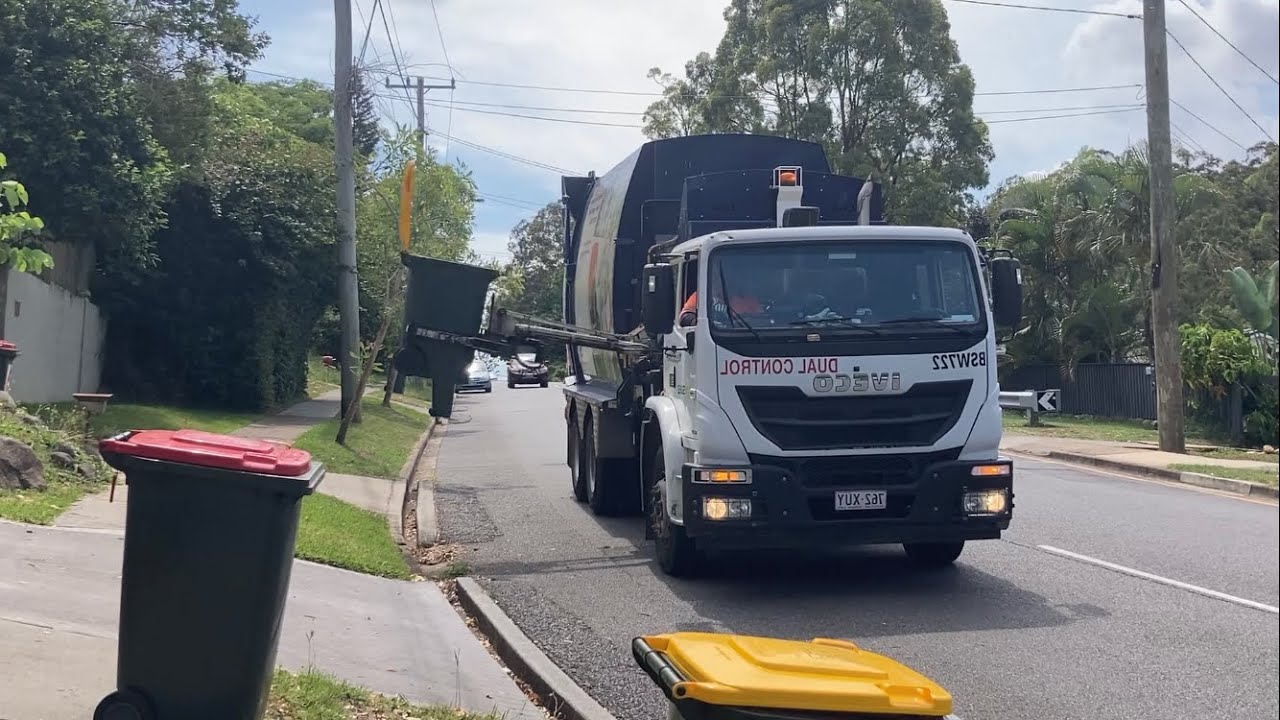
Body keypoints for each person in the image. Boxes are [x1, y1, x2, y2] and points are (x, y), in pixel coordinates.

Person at [678, 285, 763, 327]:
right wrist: (703, 324)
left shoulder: (749, 301)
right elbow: (685, 317)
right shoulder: (701, 296)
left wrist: (745, 320)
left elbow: (762, 320)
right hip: (710, 341)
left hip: (744, 338)